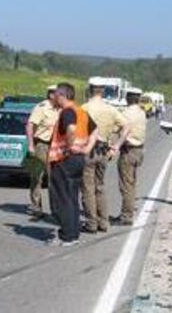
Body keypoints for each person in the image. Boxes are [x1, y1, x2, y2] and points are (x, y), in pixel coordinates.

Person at [47, 82, 98, 246]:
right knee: (72, 196)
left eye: (55, 95)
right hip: (78, 159)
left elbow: (70, 129)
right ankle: (73, 233)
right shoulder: (81, 111)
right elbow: (95, 130)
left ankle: (66, 236)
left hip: (65, 160)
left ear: (62, 95)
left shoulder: (68, 112)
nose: (53, 98)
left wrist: (69, 147)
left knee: (62, 198)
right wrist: (87, 148)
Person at [80, 79, 128, 233]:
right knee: (100, 186)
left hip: (88, 149)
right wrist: (117, 146)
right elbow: (126, 126)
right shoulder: (111, 109)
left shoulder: (84, 108)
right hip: (103, 150)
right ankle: (103, 222)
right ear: (103, 91)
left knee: (88, 188)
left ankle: (91, 223)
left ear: (90, 90)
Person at [110, 87, 147, 226]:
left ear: (127, 98)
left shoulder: (126, 113)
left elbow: (117, 129)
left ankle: (127, 215)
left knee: (126, 185)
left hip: (129, 150)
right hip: (139, 150)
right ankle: (128, 211)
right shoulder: (141, 113)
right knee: (131, 183)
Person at [25, 85, 59, 218]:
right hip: (41, 144)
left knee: (54, 178)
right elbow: (30, 125)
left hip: (55, 146)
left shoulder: (61, 109)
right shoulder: (41, 108)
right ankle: (36, 206)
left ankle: (55, 209)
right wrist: (31, 145)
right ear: (51, 95)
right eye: (58, 94)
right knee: (37, 176)